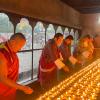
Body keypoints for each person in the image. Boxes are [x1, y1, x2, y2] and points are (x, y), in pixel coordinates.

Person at [0, 33, 33, 100]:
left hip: (10, 89)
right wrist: (23, 88)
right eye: (20, 45)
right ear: (13, 42)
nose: (20, 49)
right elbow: (2, 78)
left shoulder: (10, 49)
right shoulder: (2, 53)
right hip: (2, 93)